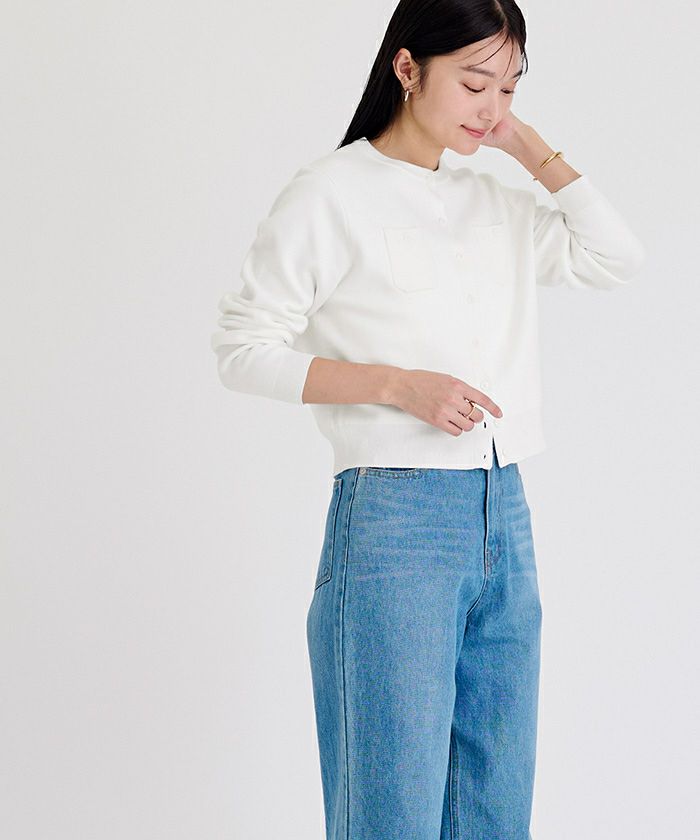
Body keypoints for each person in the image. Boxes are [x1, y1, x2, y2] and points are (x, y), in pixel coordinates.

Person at [210, 2, 646, 837]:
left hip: (502, 511)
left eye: (509, 88)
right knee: (392, 811)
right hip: (393, 519)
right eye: (475, 83)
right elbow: (242, 349)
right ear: (407, 68)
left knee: (494, 807)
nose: (492, 107)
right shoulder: (329, 193)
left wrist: (525, 147)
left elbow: (615, 256)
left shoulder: (493, 201)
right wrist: (396, 386)